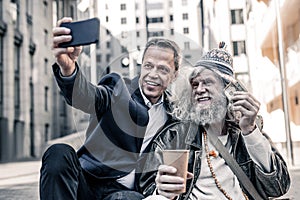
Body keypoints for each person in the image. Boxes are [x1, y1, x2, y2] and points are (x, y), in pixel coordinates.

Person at [40, 17, 181, 200]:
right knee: (58, 153)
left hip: (125, 194)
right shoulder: (118, 89)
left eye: (162, 69)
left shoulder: (175, 115)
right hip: (88, 182)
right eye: (148, 66)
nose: (153, 75)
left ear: (175, 74)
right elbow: (88, 96)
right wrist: (68, 69)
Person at [139, 42, 291, 200]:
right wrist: (162, 192)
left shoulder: (246, 134)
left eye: (208, 82)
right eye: (195, 84)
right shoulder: (174, 136)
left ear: (228, 90)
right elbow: (146, 189)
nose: (199, 89)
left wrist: (250, 130)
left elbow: (278, 187)